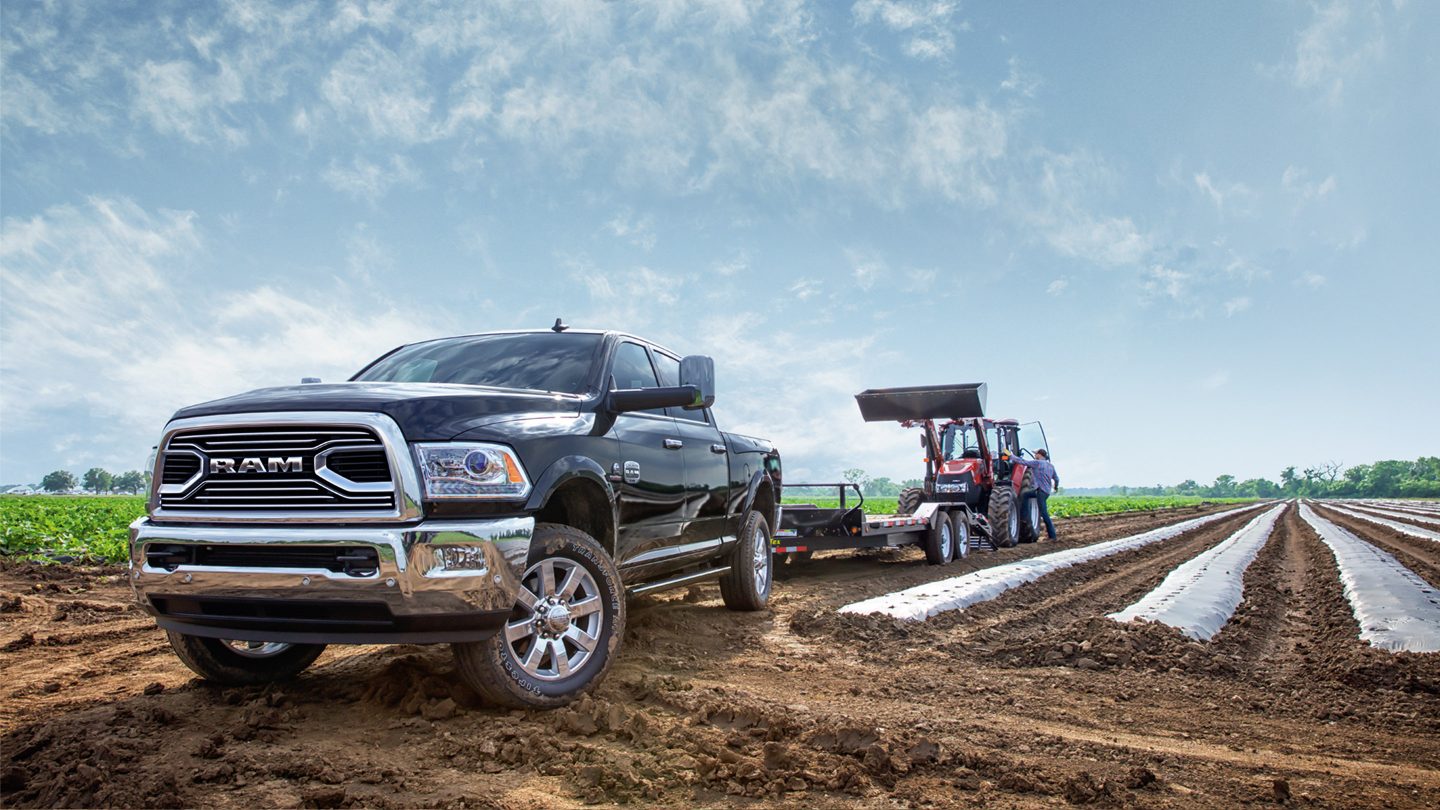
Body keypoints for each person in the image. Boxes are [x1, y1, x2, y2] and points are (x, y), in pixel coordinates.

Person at [1012, 449, 1059, 540]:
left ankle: (1053, 536)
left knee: (1044, 513)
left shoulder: (1037, 463)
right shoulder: (1050, 466)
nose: (1035, 455)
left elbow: (1022, 461)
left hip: (1041, 492)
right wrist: (1056, 487)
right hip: (1045, 492)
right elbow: (1056, 479)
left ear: (1040, 455)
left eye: (1036, 454)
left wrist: (1010, 456)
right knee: (1025, 495)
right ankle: (1025, 515)